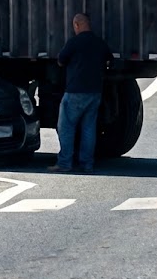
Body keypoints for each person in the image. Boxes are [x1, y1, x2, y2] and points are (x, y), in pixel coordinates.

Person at [49, 13, 114, 174]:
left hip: (75, 91)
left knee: (66, 127)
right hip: (94, 92)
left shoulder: (74, 43)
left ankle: (65, 163)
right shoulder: (100, 43)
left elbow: (61, 60)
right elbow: (109, 60)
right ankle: (87, 164)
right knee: (88, 129)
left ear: (77, 25)